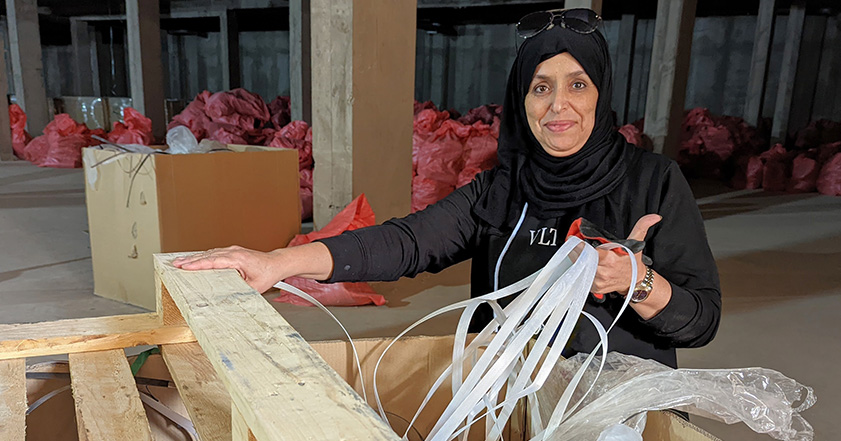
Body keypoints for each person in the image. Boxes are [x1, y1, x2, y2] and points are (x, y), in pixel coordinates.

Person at [173, 9, 720, 369]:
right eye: (540, 87)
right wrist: (277, 263)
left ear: (601, 93)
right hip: (506, 394)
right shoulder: (501, 191)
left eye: (578, 84)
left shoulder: (652, 182)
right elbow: (405, 242)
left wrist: (638, 281)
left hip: (616, 406)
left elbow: (701, 320)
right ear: (521, 100)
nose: (559, 106)